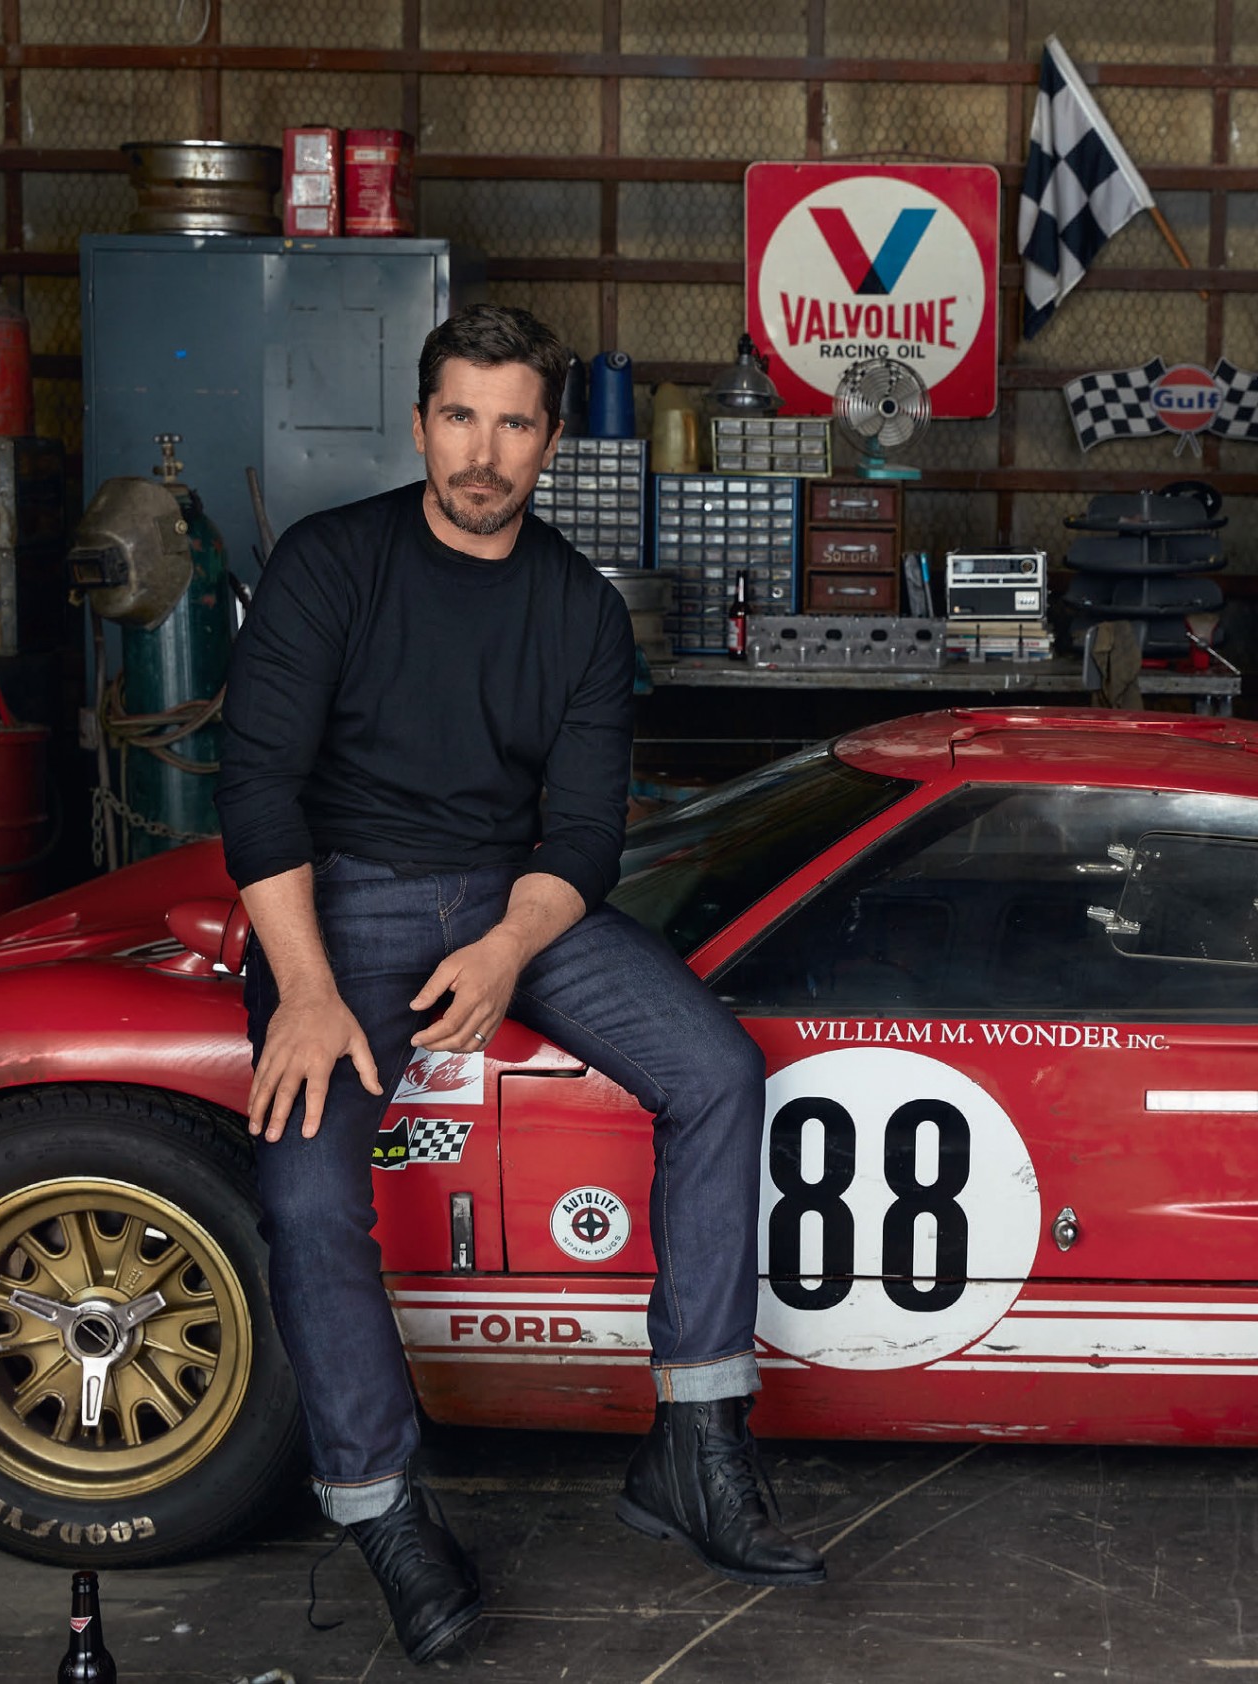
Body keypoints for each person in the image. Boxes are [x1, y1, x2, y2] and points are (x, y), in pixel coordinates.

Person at [214, 303, 825, 1665]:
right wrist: (303, 988)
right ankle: (384, 1509)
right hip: (340, 903)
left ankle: (697, 1444)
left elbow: (586, 838)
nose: (482, 453)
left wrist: (503, 951)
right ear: (421, 423)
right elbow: (254, 790)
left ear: (550, 442)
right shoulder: (330, 564)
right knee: (308, 1193)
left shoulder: (580, 614)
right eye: (459, 418)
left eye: (512, 424)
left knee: (718, 1072)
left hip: (517, 905)